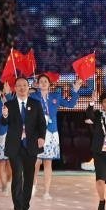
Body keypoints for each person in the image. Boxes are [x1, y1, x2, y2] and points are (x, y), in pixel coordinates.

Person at [0, 76, 47, 210]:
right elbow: (3, 123)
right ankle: (18, 206)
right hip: (15, 146)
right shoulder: (9, 105)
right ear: (15, 88)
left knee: (29, 176)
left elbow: (41, 123)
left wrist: (41, 137)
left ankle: (25, 205)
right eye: (19, 86)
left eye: (24, 85)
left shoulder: (36, 104)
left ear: (28, 87)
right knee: (17, 174)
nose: (22, 88)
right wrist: (5, 115)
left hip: (31, 145)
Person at [32, 72, 81, 200]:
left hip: (52, 133)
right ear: (37, 84)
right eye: (41, 81)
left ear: (49, 84)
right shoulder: (33, 97)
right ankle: (32, 186)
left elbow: (71, 104)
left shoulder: (55, 96)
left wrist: (75, 91)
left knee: (48, 162)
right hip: (37, 133)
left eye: (45, 81)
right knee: (36, 162)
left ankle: (46, 192)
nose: (43, 83)